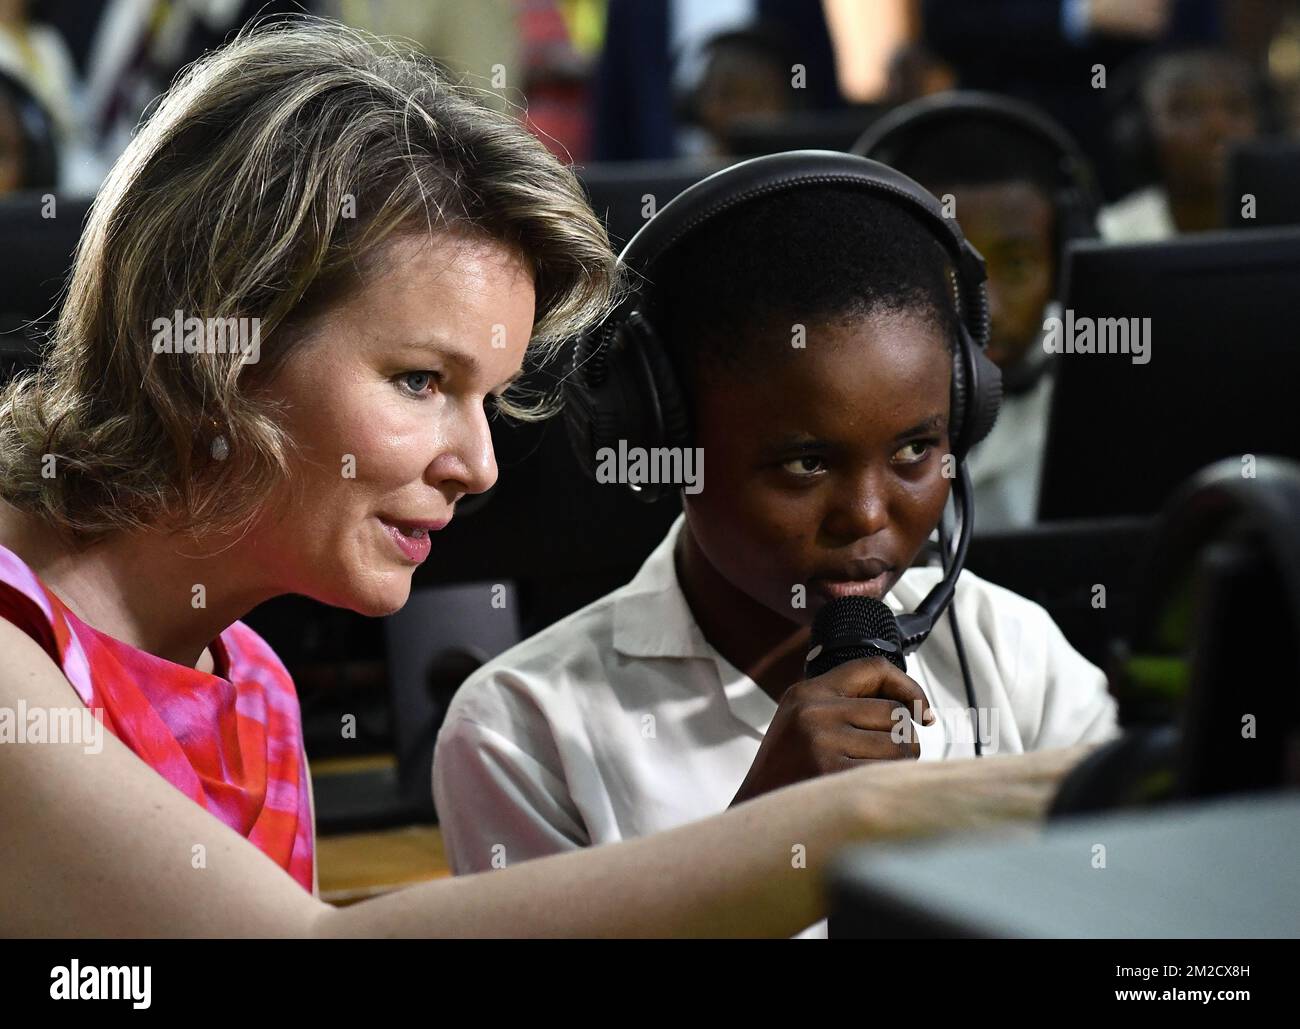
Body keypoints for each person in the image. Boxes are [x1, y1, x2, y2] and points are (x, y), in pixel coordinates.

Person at [0, 17, 1091, 939]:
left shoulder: (249, 679)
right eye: (420, 380)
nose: (475, 464)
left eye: (487, 399)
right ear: (216, 341)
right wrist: (865, 824)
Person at [431, 167, 1120, 936]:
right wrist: (760, 836)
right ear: (667, 439)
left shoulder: (1012, 654)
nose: (865, 515)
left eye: (915, 450)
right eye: (806, 463)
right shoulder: (523, 732)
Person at [855, 93, 1101, 529]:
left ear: (1062, 262)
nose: (988, 308)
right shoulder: (837, 387)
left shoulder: (1107, 377)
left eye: (1018, 265)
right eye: (945, 270)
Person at [1101, 48, 1261, 242]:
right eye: (1188, 110)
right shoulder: (1111, 234)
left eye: (1235, 108)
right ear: (1141, 132)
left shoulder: (1288, 223)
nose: (1217, 128)